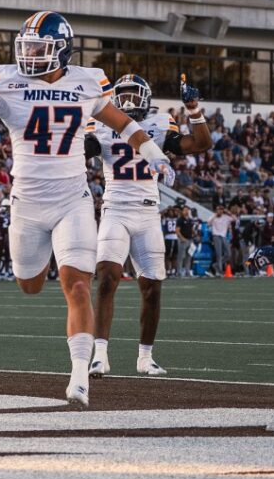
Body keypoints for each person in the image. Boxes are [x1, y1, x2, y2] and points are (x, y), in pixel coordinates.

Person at [0, 11, 173, 408]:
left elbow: (124, 123)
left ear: (63, 50)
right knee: (29, 284)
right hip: (27, 204)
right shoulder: (7, 80)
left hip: (73, 199)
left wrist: (153, 152)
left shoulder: (88, 81)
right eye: (28, 47)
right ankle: (58, 294)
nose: (30, 55)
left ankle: (79, 378)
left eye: (39, 48)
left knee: (78, 285)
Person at [85, 74, 211, 378]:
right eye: (124, 95)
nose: (128, 101)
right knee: (106, 278)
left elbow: (200, 143)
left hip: (148, 212)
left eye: (134, 94)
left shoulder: (160, 122)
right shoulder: (101, 122)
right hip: (115, 209)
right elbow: (84, 149)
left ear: (146, 97)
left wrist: (194, 110)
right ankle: (99, 355)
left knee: (152, 288)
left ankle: (145, 357)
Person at [208, 205, 234, 276]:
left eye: (221, 210)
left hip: (223, 236)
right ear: (216, 210)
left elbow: (235, 219)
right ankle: (219, 271)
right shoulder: (213, 217)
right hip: (216, 236)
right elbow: (208, 223)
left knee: (228, 253)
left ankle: (216, 265)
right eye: (218, 210)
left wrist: (228, 212)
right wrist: (215, 215)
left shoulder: (226, 217)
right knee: (218, 254)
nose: (220, 211)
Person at [176, 205, 196, 278]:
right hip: (183, 240)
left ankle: (187, 271)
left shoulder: (190, 220)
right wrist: (182, 238)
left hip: (190, 239)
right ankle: (179, 272)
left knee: (189, 257)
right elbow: (177, 231)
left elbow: (192, 229)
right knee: (181, 257)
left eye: (187, 210)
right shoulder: (180, 219)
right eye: (185, 210)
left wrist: (194, 234)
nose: (186, 211)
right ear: (182, 211)